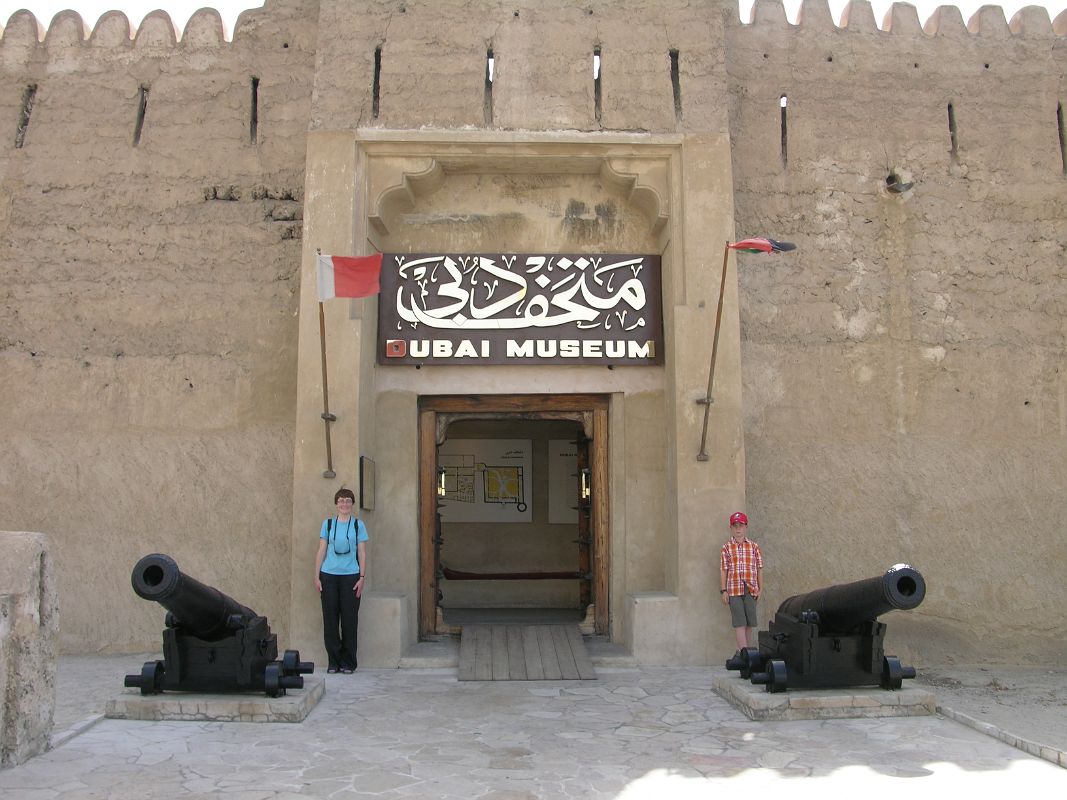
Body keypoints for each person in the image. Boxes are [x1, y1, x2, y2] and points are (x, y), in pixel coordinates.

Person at [315, 487, 369, 674]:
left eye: (348, 500)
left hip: (351, 576)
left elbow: (361, 552)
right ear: (336, 503)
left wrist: (362, 577)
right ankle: (333, 661)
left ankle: (348, 662)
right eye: (341, 500)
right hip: (329, 575)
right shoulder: (328, 524)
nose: (344, 504)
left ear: (352, 504)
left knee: (349, 620)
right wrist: (317, 576)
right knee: (330, 620)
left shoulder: (358, 525)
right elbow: (321, 550)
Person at [719, 510, 763, 654]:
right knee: (739, 622)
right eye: (735, 526)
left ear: (746, 527)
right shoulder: (726, 548)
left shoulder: (753, 547)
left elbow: (759, 568)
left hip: (750, 589)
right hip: (734, 589)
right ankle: (745, 653)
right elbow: (724, 570)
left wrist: (760, 588)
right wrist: (724, 590)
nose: (738, 529)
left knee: (750, 622)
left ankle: (745, 650)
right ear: (731, 528)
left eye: (741, 526)